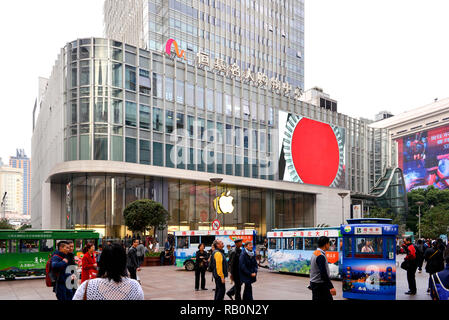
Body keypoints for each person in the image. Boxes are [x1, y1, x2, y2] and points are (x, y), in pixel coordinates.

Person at [73, 243, 144, 300]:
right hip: (88, 274)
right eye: (92, 247)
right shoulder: (135, 286)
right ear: (123, 262)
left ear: (103, 261)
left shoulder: (87, 287)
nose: (93, 248)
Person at [309, 236, 336, 301]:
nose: (329, 245)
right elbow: (323, 274)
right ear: (326, 244)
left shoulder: (315, 253)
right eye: (329, 243)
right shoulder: (320, 256)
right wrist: (331, 287)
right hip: (320, 285)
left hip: (315, 284)